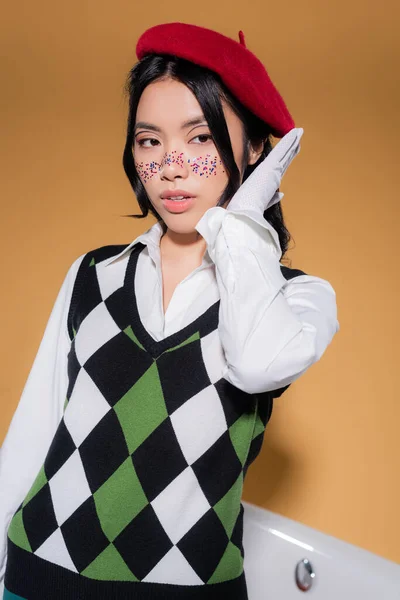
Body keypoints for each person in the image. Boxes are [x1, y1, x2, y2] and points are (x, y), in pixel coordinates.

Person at [0, 21, 340, 600]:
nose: (171, 166)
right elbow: (33, 435)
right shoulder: (93, 275)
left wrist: (245, 220)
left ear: (257, 147)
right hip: (37, 576)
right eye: (150, 140)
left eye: (201, 138)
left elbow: (257, 364)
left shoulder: (296, 298)